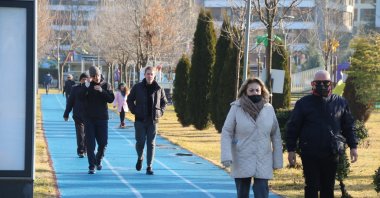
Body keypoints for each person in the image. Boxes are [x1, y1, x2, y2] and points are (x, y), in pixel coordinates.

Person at [286, 70, 358, 198]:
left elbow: (348, 126)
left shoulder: (340, 102)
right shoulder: (303, 103)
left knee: (328, 187)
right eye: (318, 82)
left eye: (326, 82)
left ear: (331, 83)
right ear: (313, 84)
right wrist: (291, 149)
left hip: (331, 152)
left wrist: (353, 146)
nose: (322, 85)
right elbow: (293, 127)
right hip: (309, 152)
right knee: (311, 187)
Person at [221, 77, 283, 198]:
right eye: (251, 90)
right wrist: (226, 156)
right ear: (245, 92)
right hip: (241, 157)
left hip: (263, 159)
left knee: (262, 193)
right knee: (242, 194)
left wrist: (277, 161)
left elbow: (276, 135)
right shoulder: (236, 108)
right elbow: (227, 132)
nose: (255, 93)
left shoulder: (269, 109)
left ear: (262, 91)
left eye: (257, 90)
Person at [127, 66, 167, 175]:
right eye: (148, 74)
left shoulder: (158, 88)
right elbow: (130, 99)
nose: (149, 76)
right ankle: (140, 157)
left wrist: (160, 112)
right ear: (144, 75)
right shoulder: (137, 87)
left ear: (154, 76)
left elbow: (164, 102)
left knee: (151, 143)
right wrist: (134, 110)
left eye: (151, 74)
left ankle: (149, 166)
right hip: (140, 120)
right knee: (140, 143)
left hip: (153, 121)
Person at [79, 66, 114, 174]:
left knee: (103, 143)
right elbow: (80, 98)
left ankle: (98, 159)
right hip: (89, 119)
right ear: (90, 77)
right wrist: (86, 86)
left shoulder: (106, 85)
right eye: (94, 77)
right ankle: (91, 166)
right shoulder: (87, 85)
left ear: (100, 74)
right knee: (90, 144)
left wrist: (101, 90)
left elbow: (111, 99)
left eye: (97, 76)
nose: (96, 78)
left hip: (102, 118)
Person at [63, 73, 89, 158]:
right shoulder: (75, 89)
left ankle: (85, 148)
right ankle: (81, 150)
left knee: (87, 133)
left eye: (86, 79)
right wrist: (66, 114)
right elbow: (70, 102)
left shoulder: (91, 88)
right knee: (80, 133)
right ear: (80, 80)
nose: (85, 81)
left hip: (89, 115)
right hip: (78, 115)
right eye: (83, 79)